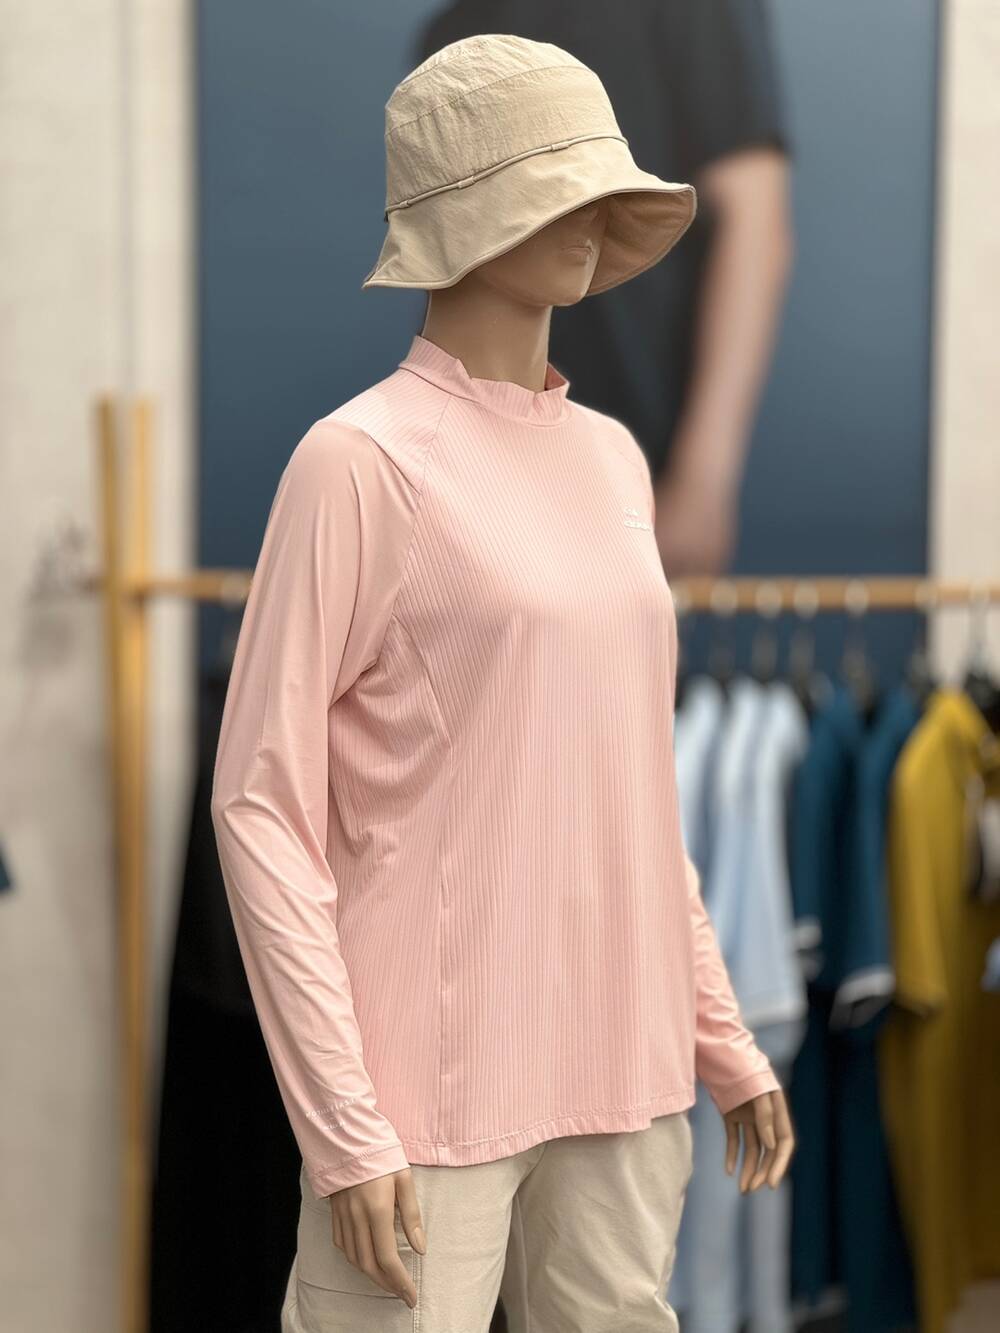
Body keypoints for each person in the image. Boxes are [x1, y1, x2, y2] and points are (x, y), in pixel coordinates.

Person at [211, 34, 795, 1333]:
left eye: (601, 190)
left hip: (623, 1073)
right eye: (557, 188)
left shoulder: (612, 461)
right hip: (426, 1091)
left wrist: (719, 1036)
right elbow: (258, 807)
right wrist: (344, 1123)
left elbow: (633, 800)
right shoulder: (358, 464)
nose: (590, 219)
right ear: (462, 211)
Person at [417, 0, 794, 577]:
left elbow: (756, 222)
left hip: (639, 466)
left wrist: (702, 478)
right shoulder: (453, 33)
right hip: (476, 473)